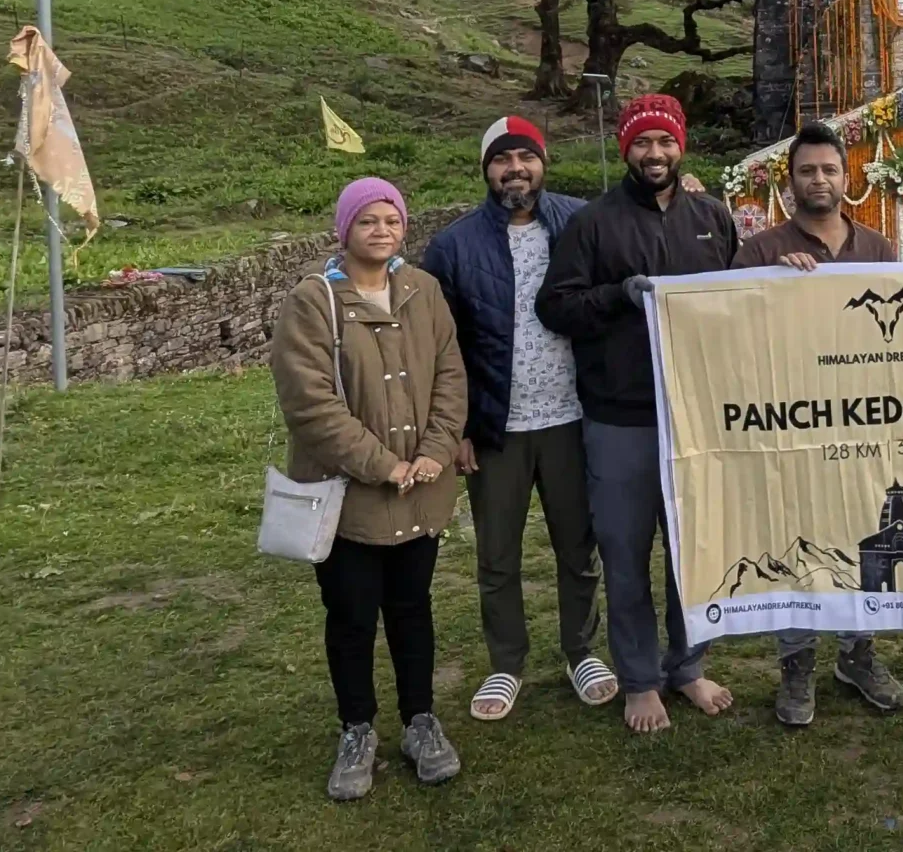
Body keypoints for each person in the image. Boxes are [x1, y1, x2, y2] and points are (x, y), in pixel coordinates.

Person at [536, 93, 739, 734]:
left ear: (683, 147)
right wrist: (617, 297)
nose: (656, 154)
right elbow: (556, 306)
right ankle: (638, 678)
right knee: (625, 550)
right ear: (626, 148)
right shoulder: (592, 224)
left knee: (691, 551)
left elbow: (740, 300)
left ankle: (687, 666)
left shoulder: (712, 217)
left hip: (696, 415)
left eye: (666, 142)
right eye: (643, 143)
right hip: (620, 416)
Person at [269, 177, 470, 800]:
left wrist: (437, 450)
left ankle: (420, 721)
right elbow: (311, 405)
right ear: (344, 229)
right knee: (353, 615)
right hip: (348, 495)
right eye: (368, 221)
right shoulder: (314, 301)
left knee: (412, 610)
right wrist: (383, 464)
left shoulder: (424, 291)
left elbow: (450, 375)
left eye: (391, 220)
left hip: (421, 490)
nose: (381, 231)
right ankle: (357, 728)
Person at [419, 116, 617, 721]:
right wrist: (453, 430)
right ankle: (506, 662)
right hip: (493, 428)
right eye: (502, 159)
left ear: (542, 162)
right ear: (486, 169)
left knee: (577, 546)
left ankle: (580, 649)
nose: (515, 169)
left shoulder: (583, 222)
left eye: (525, 157)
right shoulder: (453, 246)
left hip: (572, 417)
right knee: (497, 554)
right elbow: (437, 346)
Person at [727, 123, 903, 724]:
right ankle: (797, 663)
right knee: (799, 545)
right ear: (791, 182)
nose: (820, 180)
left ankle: (858, 653)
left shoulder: (880, 250)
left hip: (865, 432)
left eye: (830, 169)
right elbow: (726, 327)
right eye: (807, 171)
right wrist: (772, 285)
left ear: (846, 177)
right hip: (794, 432)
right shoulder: (761, 252)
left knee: (864, 539)